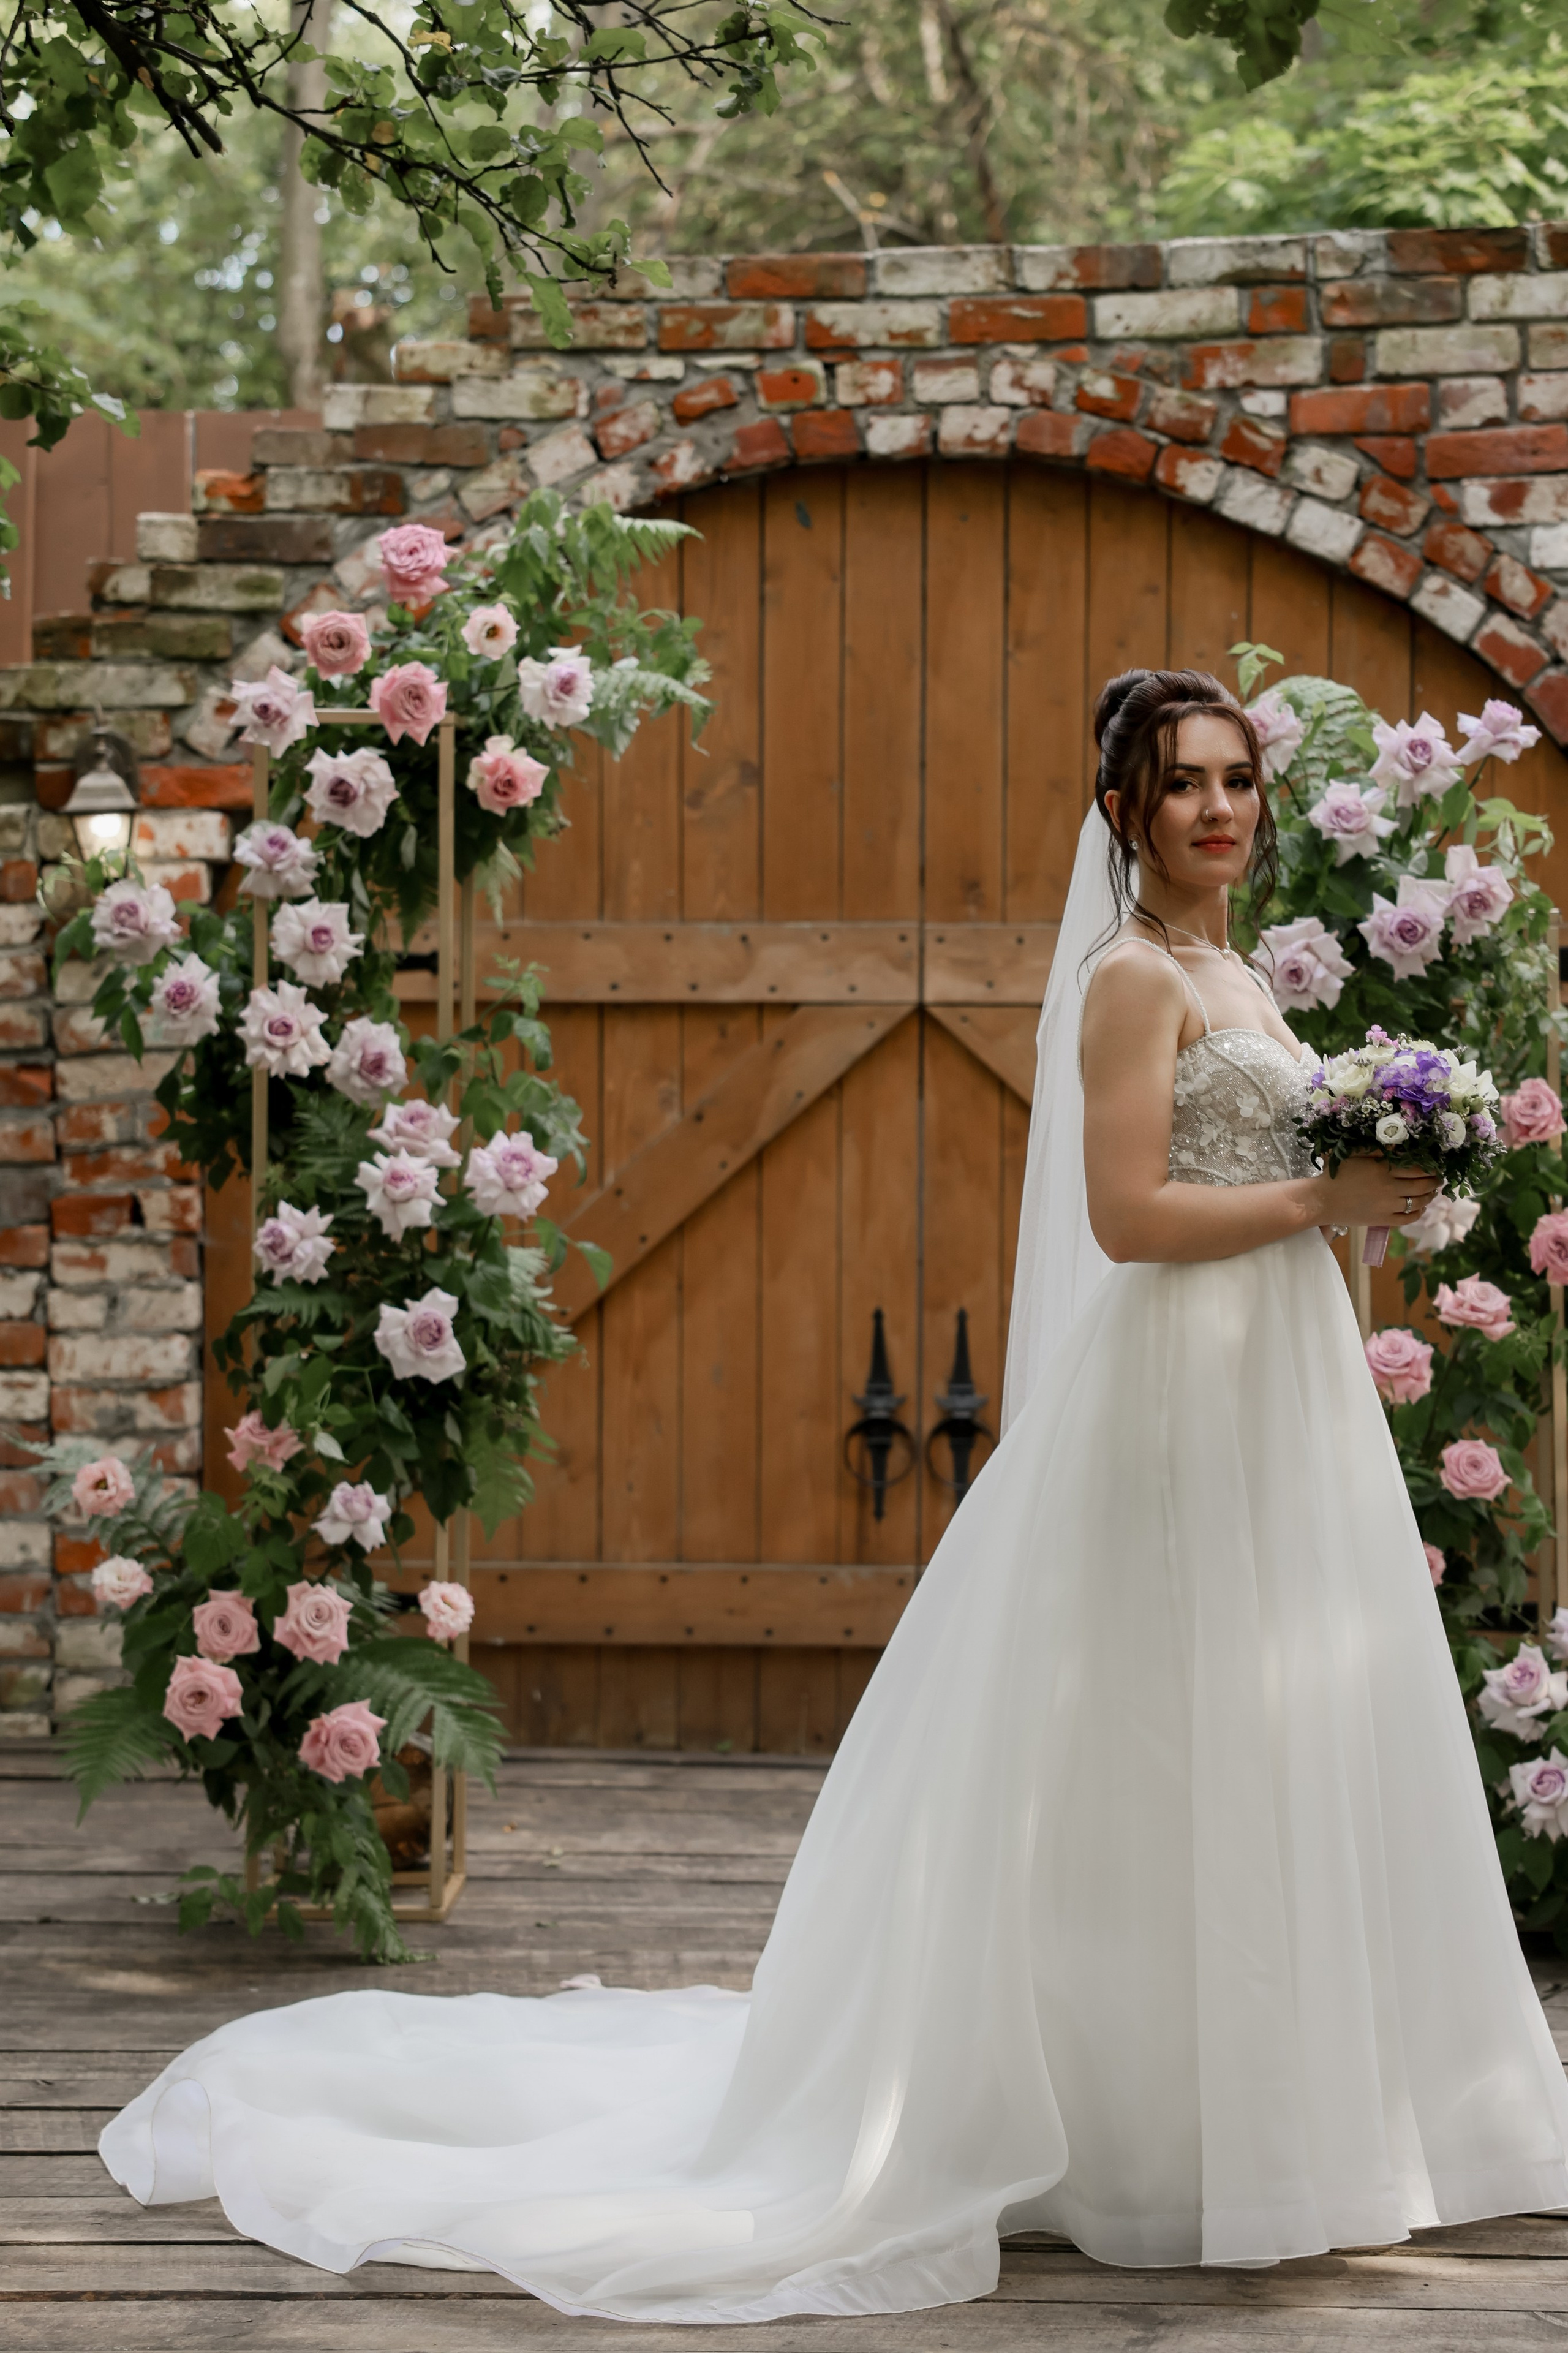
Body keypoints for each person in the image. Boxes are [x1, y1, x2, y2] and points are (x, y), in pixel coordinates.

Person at [99, 667, 1568, 2322]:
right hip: (1177, 1387)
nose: (1218, 809)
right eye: (1181, 784)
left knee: (1269, 1719)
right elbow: (1129, 1216)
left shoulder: (1236, 967)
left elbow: (1268, 1180)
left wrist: (1381, 1190)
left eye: (1236, 779)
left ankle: (1289, 2104)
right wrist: (1326, 1192)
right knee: (1157, 1720)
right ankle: (1130, 2133)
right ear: (1122, 813)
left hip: (1277, 1387)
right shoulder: (1133, 982)